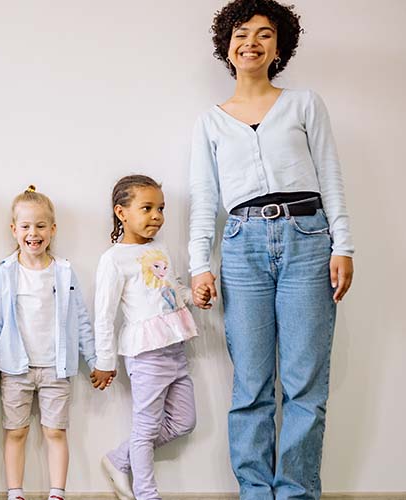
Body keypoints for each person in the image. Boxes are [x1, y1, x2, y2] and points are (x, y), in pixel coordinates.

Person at [189, 1, 355, 498]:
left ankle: (297, 492)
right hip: (242, 246)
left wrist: (342, 245)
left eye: (264, 35)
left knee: (305, 383)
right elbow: (204, 200)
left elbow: (331, 178)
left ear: (279, 48)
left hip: (308, 238)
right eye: (242, 34)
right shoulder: (211, 122)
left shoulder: (305, 104)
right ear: (227, 45)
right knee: (251, 384)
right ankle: (256, 492)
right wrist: (200, 264)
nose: (252, 43)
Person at [0, 186, 106, 500]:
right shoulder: (5, 272)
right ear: (14, 230)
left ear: (53, 230)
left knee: (55, 431)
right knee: (16, 431)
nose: (33, 233)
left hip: (56, 367)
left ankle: (57, 492)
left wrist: (95, 361)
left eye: (41, 226)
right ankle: (15, 492)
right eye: (25, 226)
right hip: (15, 367)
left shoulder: (64, 272)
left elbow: (81, 319)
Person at [96, 175, 209, 500]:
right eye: (147, 208)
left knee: (184, 421)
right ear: (122, 212)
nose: (157, 215)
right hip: (145, 354)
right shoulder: (114, 259)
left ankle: (119, 459)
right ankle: (147, 495)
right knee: (145, 429)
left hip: (175, 349)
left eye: (160, 208)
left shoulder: (160, 248)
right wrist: (104, 361)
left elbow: (170, 289)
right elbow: (103, 314)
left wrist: (194, 295)